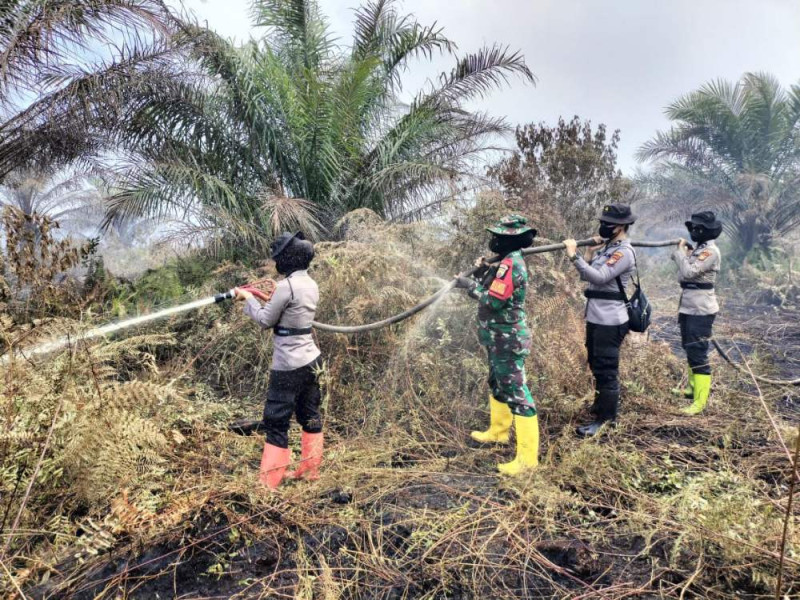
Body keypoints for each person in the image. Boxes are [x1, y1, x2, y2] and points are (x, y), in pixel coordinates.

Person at [234, 232, 323, 489]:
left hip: (289, 364)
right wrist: (264, 298)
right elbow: (287, 309)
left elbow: (265, 320)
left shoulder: (287, 286)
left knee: (276, 420)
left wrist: (249, 298)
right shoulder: (311, 284)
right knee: (310, 415)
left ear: (287, 260)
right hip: (312, 361)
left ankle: (269, 482)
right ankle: (309, 471)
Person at [454, 214, 539, 475]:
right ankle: (498, 432)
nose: (493, 240)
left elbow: (493, 301)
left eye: (498, 237)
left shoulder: (512, 265)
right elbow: (493, 287)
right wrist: (481, 272)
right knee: (498, 383)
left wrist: (469, 285)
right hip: (496, 337)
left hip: (508, 338)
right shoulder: (504, 263)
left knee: (516, 392)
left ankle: (527, 459)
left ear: (509, 240)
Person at [563, 204, 637, 437]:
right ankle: (600, 408)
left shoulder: (623, 252)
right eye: (603, 221)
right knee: (596, 363)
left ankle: (607, 420)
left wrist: (573, 255)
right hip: (596, 316)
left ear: (622, 226)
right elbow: (590, 276)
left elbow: (600, 276)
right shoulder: (609, 248)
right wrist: (588, 254)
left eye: (609, 223)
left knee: (606, 369)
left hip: (611, 319)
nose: (603, 226)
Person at [671, 211, 722, 415]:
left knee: (698, 353)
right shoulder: (699, 250)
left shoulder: (710, 252)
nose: (693, 230)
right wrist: (683, 254)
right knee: (689, 348)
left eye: (696, 228)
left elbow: (689, 272)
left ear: (705, 230)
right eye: (692, 227)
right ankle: (692, 390)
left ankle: (700, 402)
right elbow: (683, 272)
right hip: (688, 306)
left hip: (701, 310)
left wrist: (680, 253)